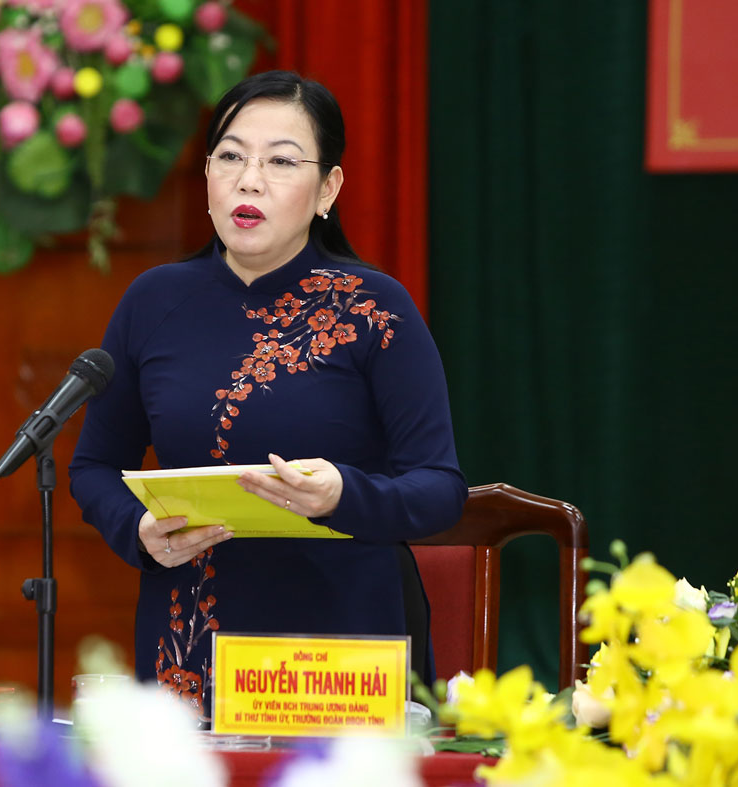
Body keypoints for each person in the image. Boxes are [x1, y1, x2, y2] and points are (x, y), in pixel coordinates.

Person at [68, 70, 466, 719]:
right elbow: (92, 467)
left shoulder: (375, 309)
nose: (248, 180)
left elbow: (440, 487)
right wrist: (138, 529)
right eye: (230, 156)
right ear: (205, 176)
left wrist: (343, 494)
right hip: (187, 651)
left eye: (281, 161)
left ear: (327, 188)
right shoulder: (154, 301)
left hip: (337, 664)